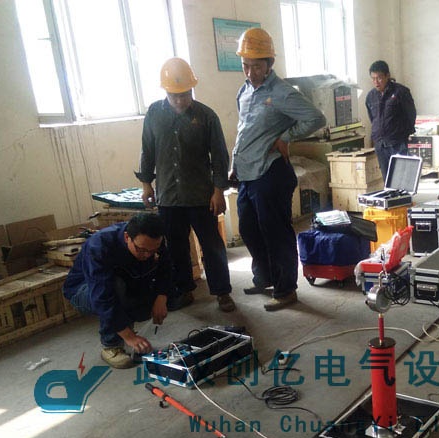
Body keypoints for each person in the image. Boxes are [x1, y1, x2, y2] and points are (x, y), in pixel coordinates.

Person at [231, 28, 326, 311]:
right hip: (247, 173)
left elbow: (315, 118)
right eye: (245, 66)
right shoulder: (244, 90)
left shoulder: (282, 92)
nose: (250, 73)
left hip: (270, 172)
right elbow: (243, 130)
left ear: (269, 64)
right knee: (249, 229)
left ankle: (285, 289)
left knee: (276, 233)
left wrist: (286, 137)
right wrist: (234, 163)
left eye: (256, 66)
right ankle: (265, 277)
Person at [136, 57, 235, 313]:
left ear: (192, 89)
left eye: (185, 94)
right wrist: (146, 184)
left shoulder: (206, 116)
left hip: (201, 195)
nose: (180, 101)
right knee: (175, 247)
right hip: (168, 196)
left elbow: (219, 157)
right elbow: (147, 150)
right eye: (174, 95)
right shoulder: (154, 114)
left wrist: (218, 191)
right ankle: (184, 289)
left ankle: (222, 292)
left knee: (212, 245)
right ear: (165, 92)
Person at [63, 213, 173, 369]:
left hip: (127, 281)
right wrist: (129, 336)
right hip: (84, 290)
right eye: (141, 250)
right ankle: (111, 345)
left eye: (152, 250)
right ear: (127, 237)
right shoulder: (99, 245)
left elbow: (166, 268)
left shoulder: (154, 242)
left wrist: (161, 297)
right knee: (116, 286)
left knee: (147, 303)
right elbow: (102, 296)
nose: (147, 255)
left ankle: (123, 325)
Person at [365, 60, 417, 179]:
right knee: (387, 179)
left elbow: (411, 115)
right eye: (373, 78)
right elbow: (373, 119)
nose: (376, 82)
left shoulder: (401, 92)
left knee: (401, 178)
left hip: (397, 143)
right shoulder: (370, 96)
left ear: (387, 76)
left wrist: (403, 136)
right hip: (380, 145)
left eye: (379, 78)